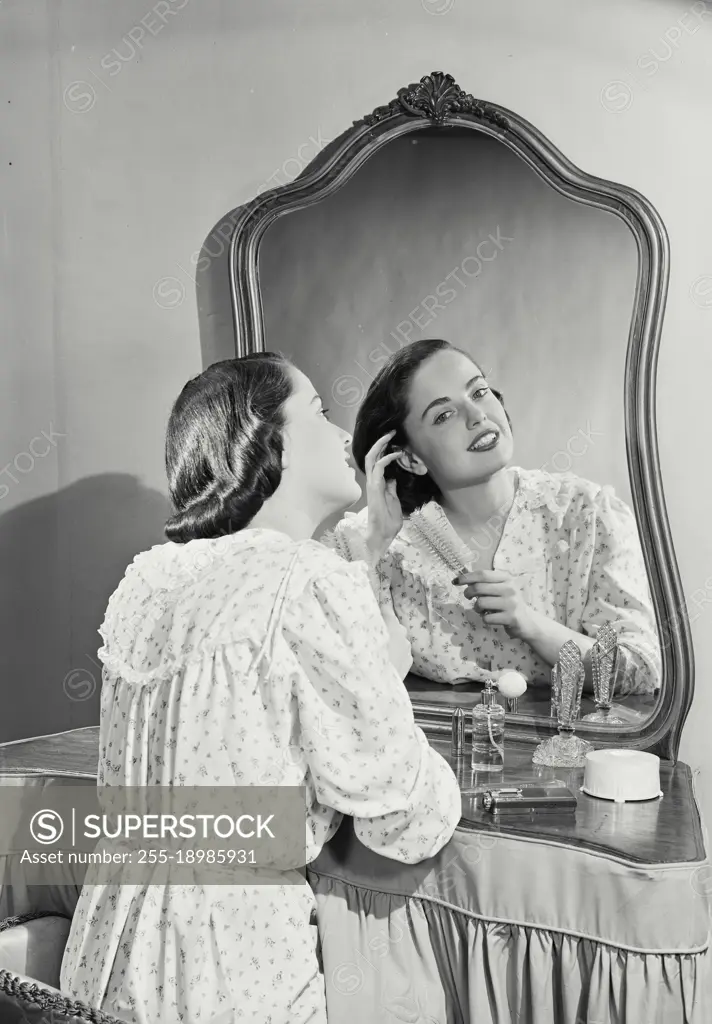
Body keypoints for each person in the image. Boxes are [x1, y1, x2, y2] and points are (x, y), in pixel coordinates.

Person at [60, 354, 461, 1024]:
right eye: (319, 411)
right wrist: (407, 722)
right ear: (263, 436)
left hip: (107, 941)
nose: (343, 436)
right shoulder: (307, 581)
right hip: (229, 963)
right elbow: (404, 815)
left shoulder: (148, 581)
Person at [325, 339, 661, 696]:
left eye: (479, 392)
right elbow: (339, 685)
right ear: (410, 458)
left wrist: (530, 624)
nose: (477, 415)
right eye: (443, 415)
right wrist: (374, 549)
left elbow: (641, 672)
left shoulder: (587, 514)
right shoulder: (369, 547)